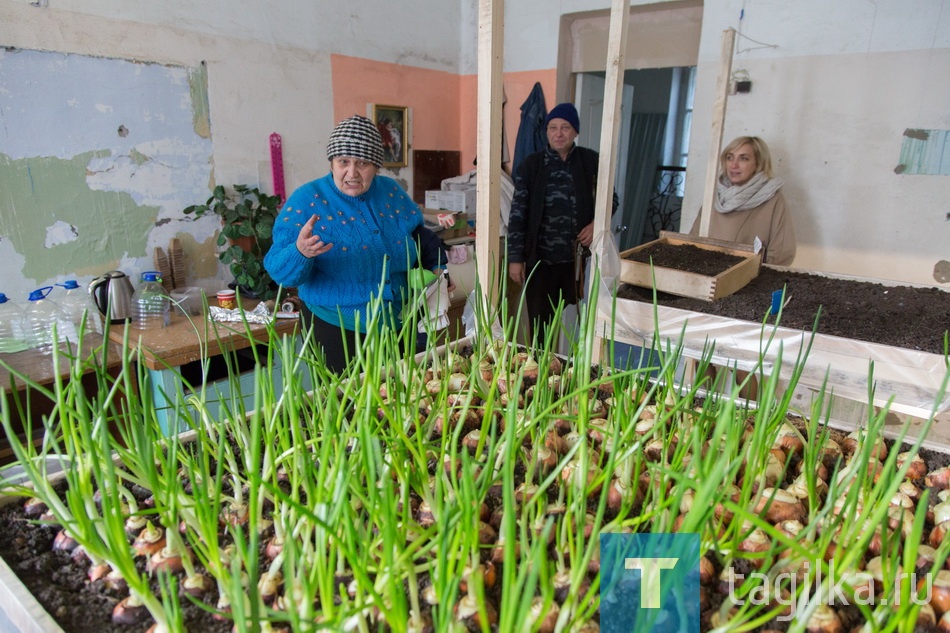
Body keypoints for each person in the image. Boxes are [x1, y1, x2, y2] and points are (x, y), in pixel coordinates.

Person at [264, 114, 451, 372]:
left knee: (402, 402)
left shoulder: (391, 192)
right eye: (343, 162)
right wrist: (300, 252)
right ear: (331, 163)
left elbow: (420, 237)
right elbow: (280, 272)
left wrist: (439, 273)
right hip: (336, 328)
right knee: (348, 407)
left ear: (376, 166)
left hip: (399, 320)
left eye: (362, 163)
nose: (352, 173)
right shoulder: (307, 200)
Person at [507, 102, 618, 347]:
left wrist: (596, 225)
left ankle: (571, 366)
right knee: (540, 325)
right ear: (546, 131)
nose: (558, 133)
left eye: (565, 127)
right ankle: (542, 371)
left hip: (576, 262)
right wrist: (515, 258)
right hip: (539, 262)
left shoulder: (590, 162)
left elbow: (611, 200)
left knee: (580, 320)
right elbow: (518, 215)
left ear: (575, 131)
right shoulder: (531, 166)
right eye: (553, 127)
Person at [690, 136, 796, 266]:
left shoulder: (773, 200)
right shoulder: (714, 197)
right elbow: (692, 241)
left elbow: (782, 254)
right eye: (730, 157)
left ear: (758, 163)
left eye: (743, 158)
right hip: (705, 276)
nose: (734, 165)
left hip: (750, 282)